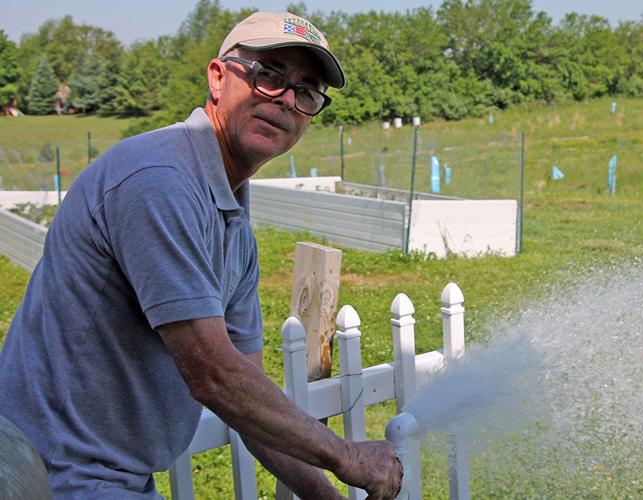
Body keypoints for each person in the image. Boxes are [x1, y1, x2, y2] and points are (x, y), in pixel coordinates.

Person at [0, 11, 402, 499]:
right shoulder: (158, 179)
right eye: (269, 75)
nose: (285, 101)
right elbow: (214, 374)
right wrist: (348, 457)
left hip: (109, 477)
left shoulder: (234, 230)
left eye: (306, 91)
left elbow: (247, 390)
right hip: (47, 475)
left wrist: (325, 495)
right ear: (218, 77)